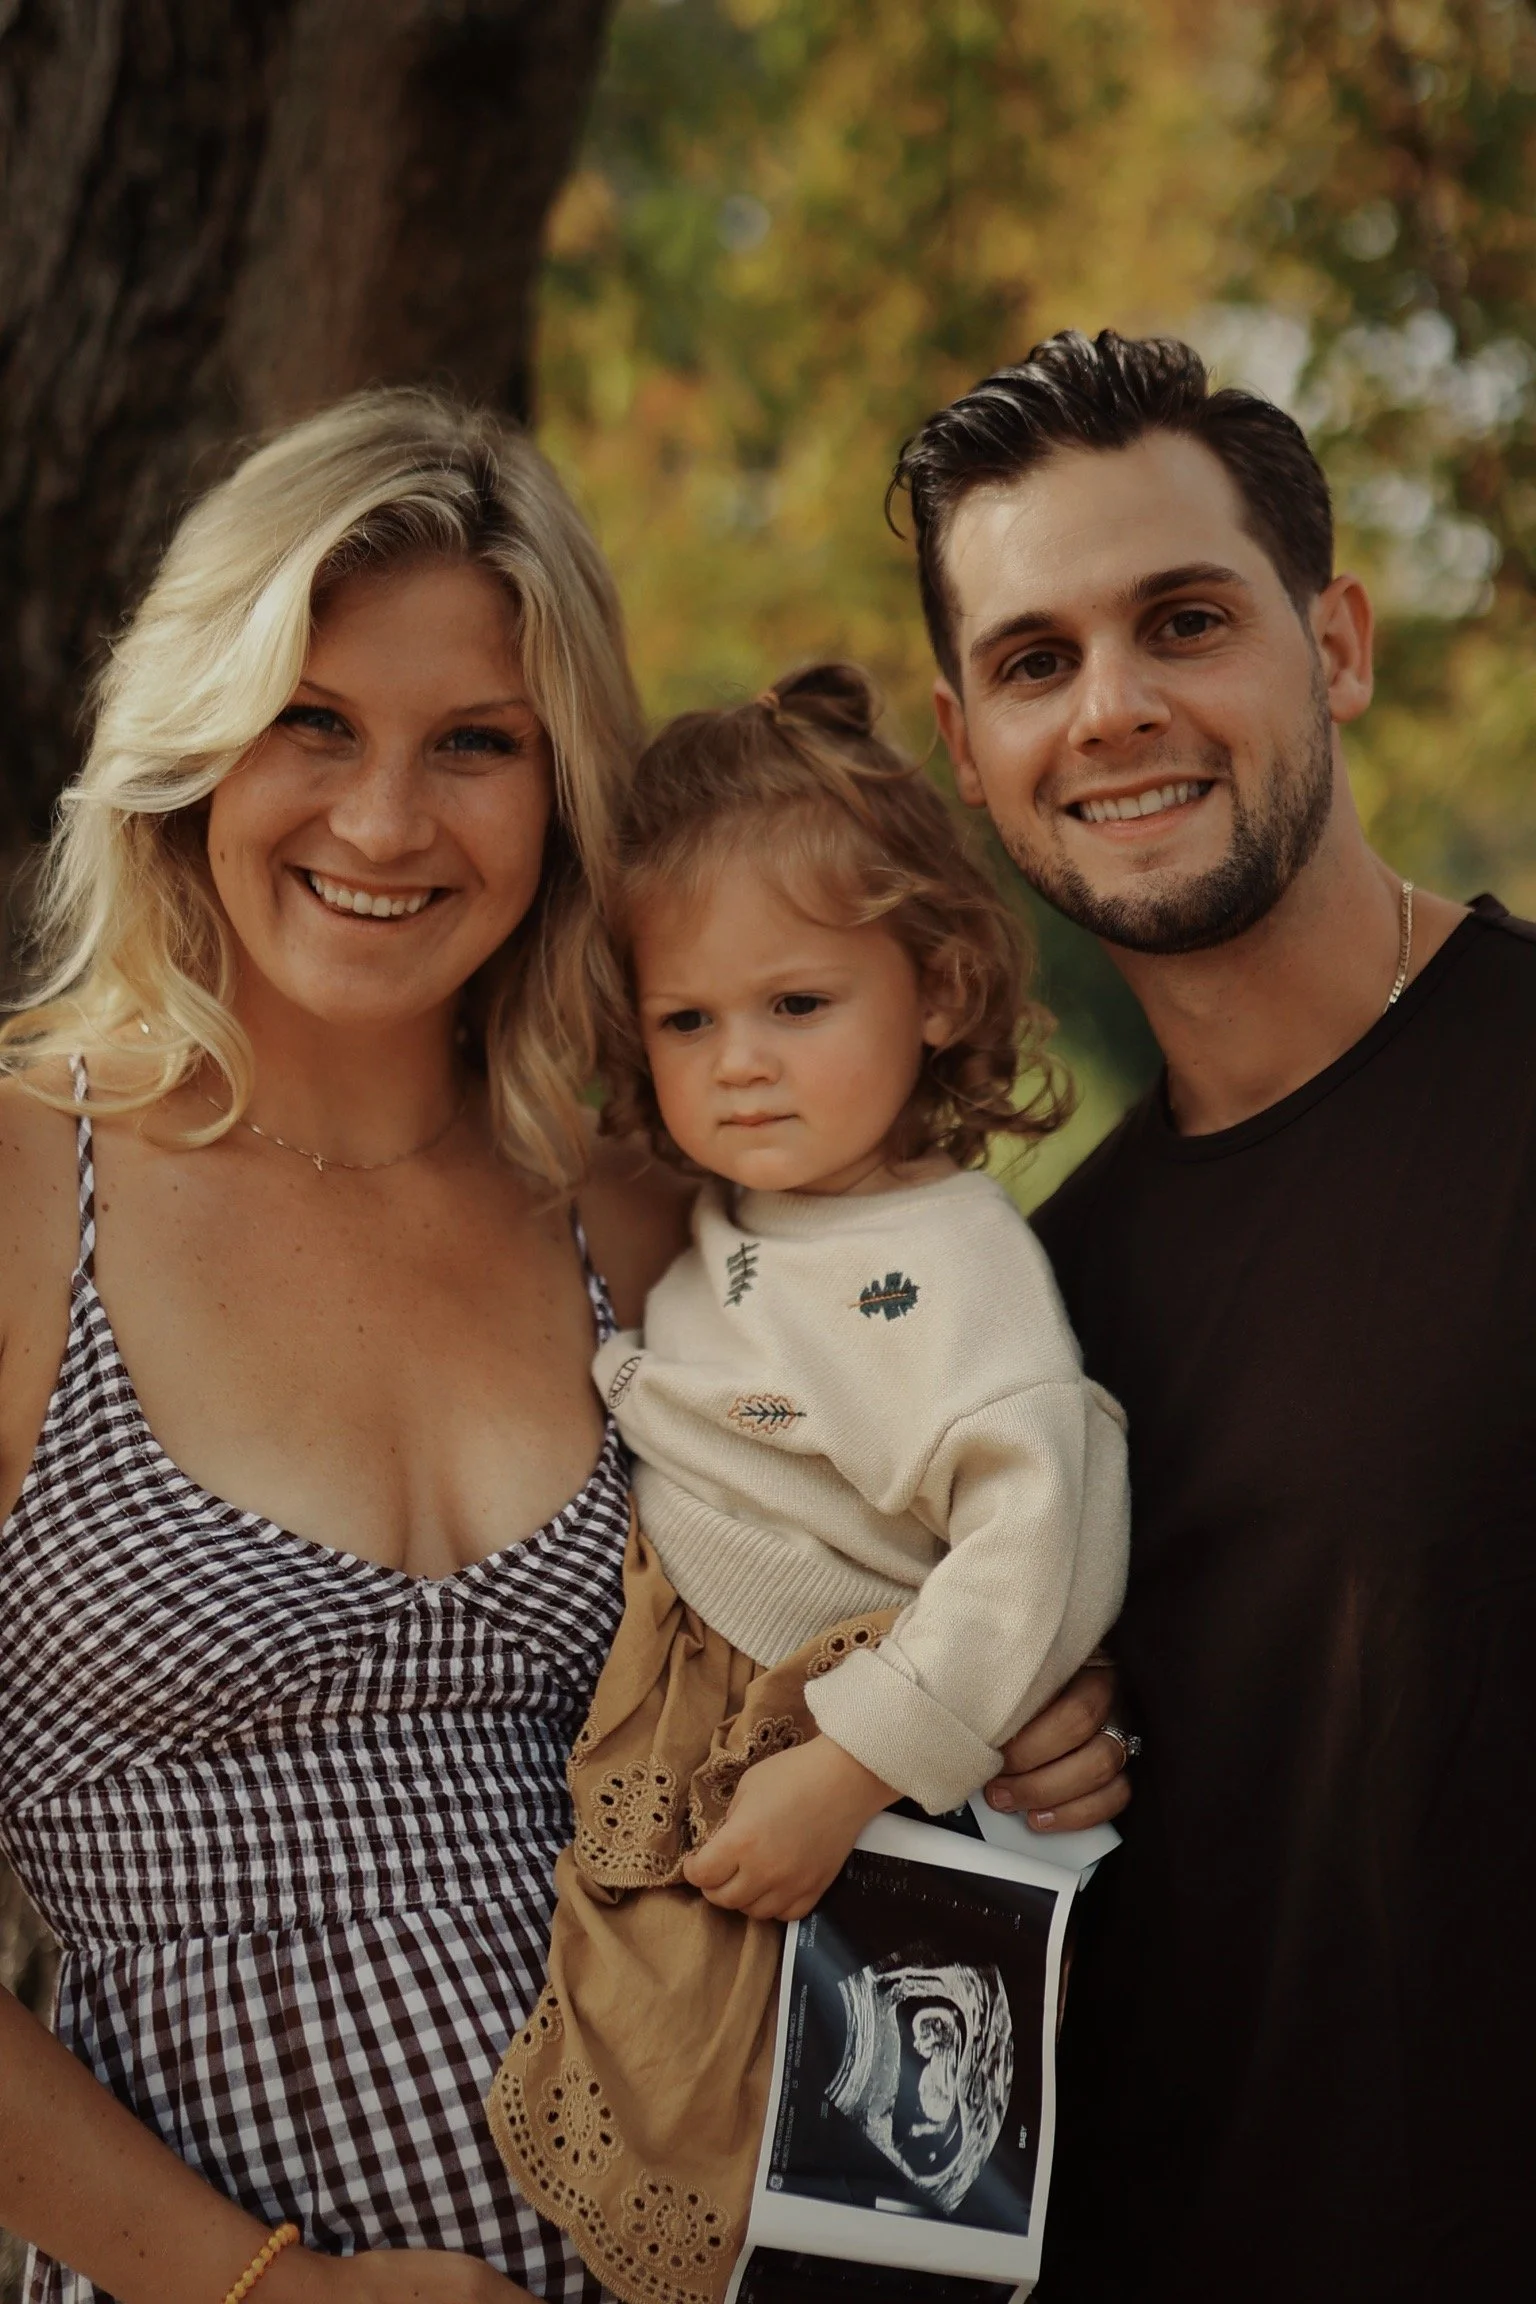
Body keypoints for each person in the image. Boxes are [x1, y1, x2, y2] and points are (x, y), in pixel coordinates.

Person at [0, 387, 1123, 2304]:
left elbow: (897, 1569)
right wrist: (265, 2291)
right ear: (196, 736)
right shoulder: (35, 1190)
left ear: (563, 787)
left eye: (474, 746)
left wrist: (1014, 1717)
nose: (381, 817)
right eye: (312, 721)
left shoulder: (643, 1224)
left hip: (747, 2240)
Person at [894, 327, 1536, 2302]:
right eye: (1034, 662)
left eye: (1185, 621)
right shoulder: (1027, 1312)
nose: (1113, 710)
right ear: (967, 746)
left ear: (1334, 645)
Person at [486, 665, 1129, 2304]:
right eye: (687, 1021)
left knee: (798, 2131)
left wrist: (852, 1768)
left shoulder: (953, 1259)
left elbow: (1040, 1534)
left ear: (934, 987)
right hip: (689, 1705)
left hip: (821, 1742)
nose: (740, 1066)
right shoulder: (734, 1217)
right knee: (652, 2052)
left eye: (796, 1007)